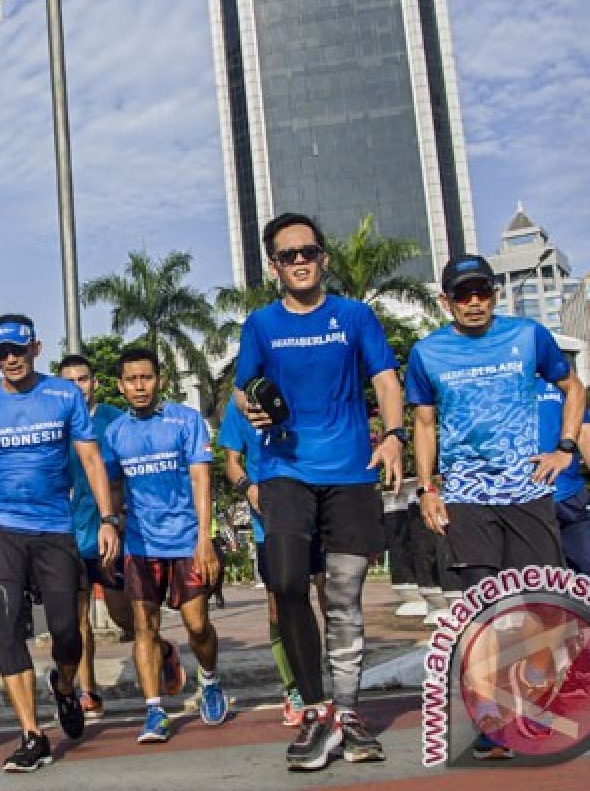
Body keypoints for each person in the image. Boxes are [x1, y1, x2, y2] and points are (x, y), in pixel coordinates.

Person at [235, 212, 404, 771]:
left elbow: (383, 378)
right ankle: (314, 709)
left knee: (344, 595)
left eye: (308, 251)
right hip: (283, 471)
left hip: (351, 474)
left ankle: (349, 717)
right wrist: (253, 405)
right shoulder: (260, 324)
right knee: (285, 582)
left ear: (324, 257)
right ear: (274, 267)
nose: (300, 261)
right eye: (288, 255)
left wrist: (396, 435)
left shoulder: (354, 316)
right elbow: (242, 392)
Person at [405, 255, 587, 758]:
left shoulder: (528, 337)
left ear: (495, 293)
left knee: (545, 610)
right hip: (465, 499)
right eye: (463, 294)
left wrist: (565, 449)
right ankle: (492, 718)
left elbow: (573, 387)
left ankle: (529, 685)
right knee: (482, 611)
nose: (474, 301)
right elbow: (423, 423)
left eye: (482, 290)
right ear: (446, 300)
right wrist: (427, 489)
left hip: (527, 493)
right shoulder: (427, 353)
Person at [0, 315, 119, 773]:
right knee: (9, 625)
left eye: (18, 350)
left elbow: (89, 457)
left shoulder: (63, 395)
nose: (10, 359)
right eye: (2, 352)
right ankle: (31, 734)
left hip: (53, 528)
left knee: (67, 631)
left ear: (35, 349)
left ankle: (64, 688)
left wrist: (108, 520)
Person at [103, 346, 229, 744]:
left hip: (187, 541)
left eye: (147, 377)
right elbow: (111, 488)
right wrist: (111, 527)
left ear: (159, 380)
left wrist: (204, 541)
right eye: (131, 380)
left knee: (197, 626)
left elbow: (201, 482)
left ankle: (208, 680)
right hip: (140, 545)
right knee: (145, 627)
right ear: (121, 386)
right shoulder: (114, 433)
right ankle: (154, 710)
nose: (140, 386)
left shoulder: (185, 421)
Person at [217, 394, 326, 727]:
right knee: (280, 604)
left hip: (315, 510)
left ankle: (337, 678)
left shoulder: (302, 392)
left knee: (330, 597)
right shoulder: (239, 406)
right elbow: (231, 461)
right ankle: (294, 687)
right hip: (271, 522)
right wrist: (250, 489)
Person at [57, 353, 134, 720]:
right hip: (67, 536)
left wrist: (119, 515)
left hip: (109, 532)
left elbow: (132, 472)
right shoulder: (52, 424)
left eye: (83, 379)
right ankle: (88, 690)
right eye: (68, 381)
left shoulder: (114, 421)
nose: (77, 387)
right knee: (77, 618)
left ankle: (159, 648)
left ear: (95, 383)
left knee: (122, 613)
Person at [536, 377, 590, 594]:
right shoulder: (502, 381)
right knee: (543, 587)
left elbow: (583, 431)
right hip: (529, 501)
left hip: (571, 494)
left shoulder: (564, 384)